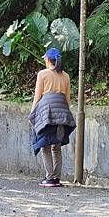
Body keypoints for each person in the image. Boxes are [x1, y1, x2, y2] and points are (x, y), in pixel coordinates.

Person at [28, 48, 76, 187]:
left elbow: (38, 96)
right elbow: (67, 99)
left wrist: (32, 114)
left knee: (45, 145)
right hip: (62, 111)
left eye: (45, 59)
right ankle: (56, 178)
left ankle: (49, 177)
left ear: (48, 60)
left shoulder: (42, 74)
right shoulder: (65, 76)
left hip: (47, 112)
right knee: (57, 145)